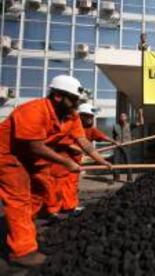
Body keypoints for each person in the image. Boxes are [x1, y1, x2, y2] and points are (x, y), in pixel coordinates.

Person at [0, 75, 112, 266]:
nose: (77, 104)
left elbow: (83, 140)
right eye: (74, 99)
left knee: (42, 188)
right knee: (18, 198)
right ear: (58, 96)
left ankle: (26, 227)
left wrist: (101, 160)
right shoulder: (34, 110)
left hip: (32, 156)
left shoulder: (71, 116)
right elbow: (35, 146)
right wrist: (67, 162)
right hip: (8, 154)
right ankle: (22, 251)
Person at [51, 103, 118, 214]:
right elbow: (60, 141)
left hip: (75, 161)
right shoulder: (70, 125)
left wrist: (113, 144)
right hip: (62, 161)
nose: (92, 119)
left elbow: (99, 138)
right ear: (82, 116)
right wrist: (74, 147)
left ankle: (68, 207)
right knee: (59, 184)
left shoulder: (91, 129)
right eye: (89, 117)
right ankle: (56, 209)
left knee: (72, 184)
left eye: (92, 117)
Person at [112, 110, 144, 183]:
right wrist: (114, 143)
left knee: (128, 162)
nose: (122, 117)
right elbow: (113, 137)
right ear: (119, 118)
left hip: (126, 146)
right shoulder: (115, 126)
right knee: (115, 162)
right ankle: (116, 177)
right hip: (117, 146)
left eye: (123, 116)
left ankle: (129, 178)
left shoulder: (130, 125)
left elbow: (141, 123)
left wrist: (140, 114)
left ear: (126, 118)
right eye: (121, 116)